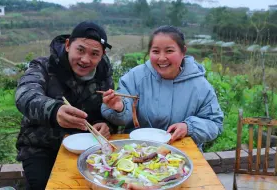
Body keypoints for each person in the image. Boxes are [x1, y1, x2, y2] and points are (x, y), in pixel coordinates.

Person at [15, 21, 116, 190]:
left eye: (94, 54)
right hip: (41, 148)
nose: (85, 60)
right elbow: (24, 95)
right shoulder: (43, 66)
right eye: (80, 50)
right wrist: (55, 111)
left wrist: (107, 125)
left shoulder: (103, 74)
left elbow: (109, 109)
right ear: (68, 45)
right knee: (45, 186)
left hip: (87, 147)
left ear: (102, 54)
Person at [101, 25, 224, 148]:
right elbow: (121, 117)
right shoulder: (135, 77)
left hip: (182, 153)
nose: (162, 58)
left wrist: (189, 127)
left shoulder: (200, 86)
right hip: (137, 151)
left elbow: (214, 124)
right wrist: (119, 108)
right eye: (155, 51)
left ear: (183, 52)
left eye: (169, 51)